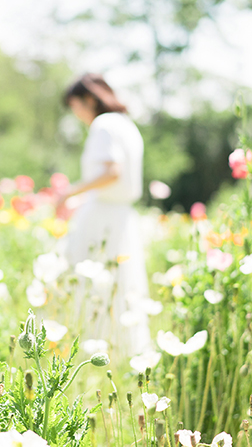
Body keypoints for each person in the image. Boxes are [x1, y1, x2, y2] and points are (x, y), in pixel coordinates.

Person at [56, 73, 151, 355]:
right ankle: (121, 353)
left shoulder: (104, 124)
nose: (77, 115)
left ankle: (93, 349)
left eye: (76, 106)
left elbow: (112, 172)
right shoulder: (127, 125)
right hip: (120, 216)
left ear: (88, 99)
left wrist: (71, 192)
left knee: (92, 284)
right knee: (121, 287)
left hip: (104, 219)